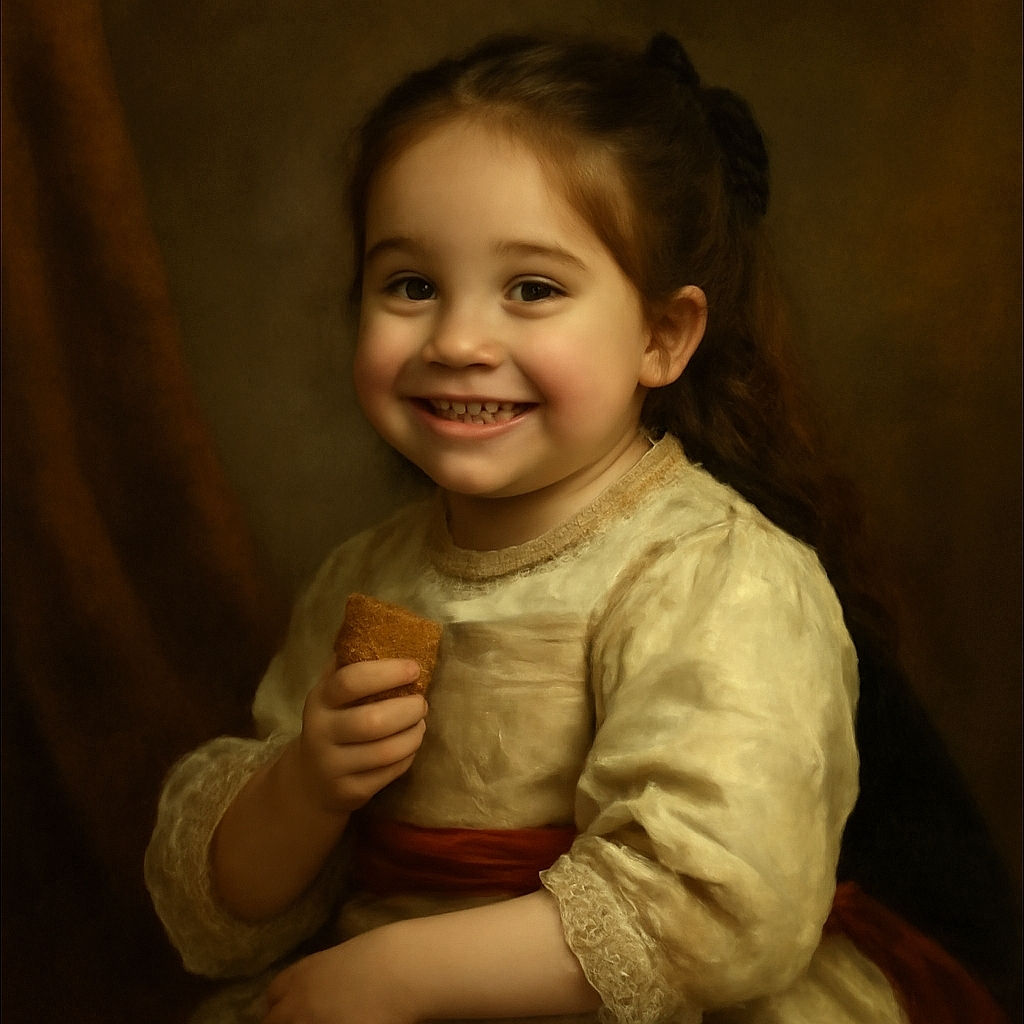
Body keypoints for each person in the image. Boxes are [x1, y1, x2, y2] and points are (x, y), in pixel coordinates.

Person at [145, 31, 1016, 1024]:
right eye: (411, 285)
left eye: (532, 290)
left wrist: (394, 975)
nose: (460, 341)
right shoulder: (367, 576)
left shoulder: (717, 574)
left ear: (660, 336)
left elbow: (711, 901)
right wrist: (305, 785)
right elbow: (232, 913)